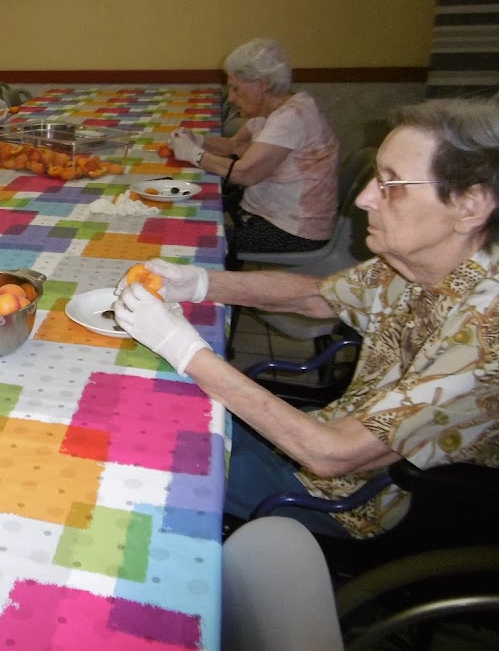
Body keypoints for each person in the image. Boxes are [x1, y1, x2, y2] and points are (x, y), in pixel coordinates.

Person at [115, 98, 499, 539]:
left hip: (360, 504)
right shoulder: (422, 262)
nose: (364, 198)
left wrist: (184, 349)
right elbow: (317, 295)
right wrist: (202, 284)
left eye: (392, 184)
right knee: (161, 408)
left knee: (144, 458)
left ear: (470, 206)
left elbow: (332, 455)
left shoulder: (486, 327)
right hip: (324, 431)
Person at [170, 38, 339, 256]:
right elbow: (234, 145)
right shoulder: (273, 111)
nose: (231, 97)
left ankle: (222, 283)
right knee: (191, 205)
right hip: (265, 212)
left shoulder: (291, 118)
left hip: (291, 230)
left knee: (195, 235)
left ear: (263, 83)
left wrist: (194, 154)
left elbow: (244, 174)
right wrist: (196, 139)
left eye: (236, 88)